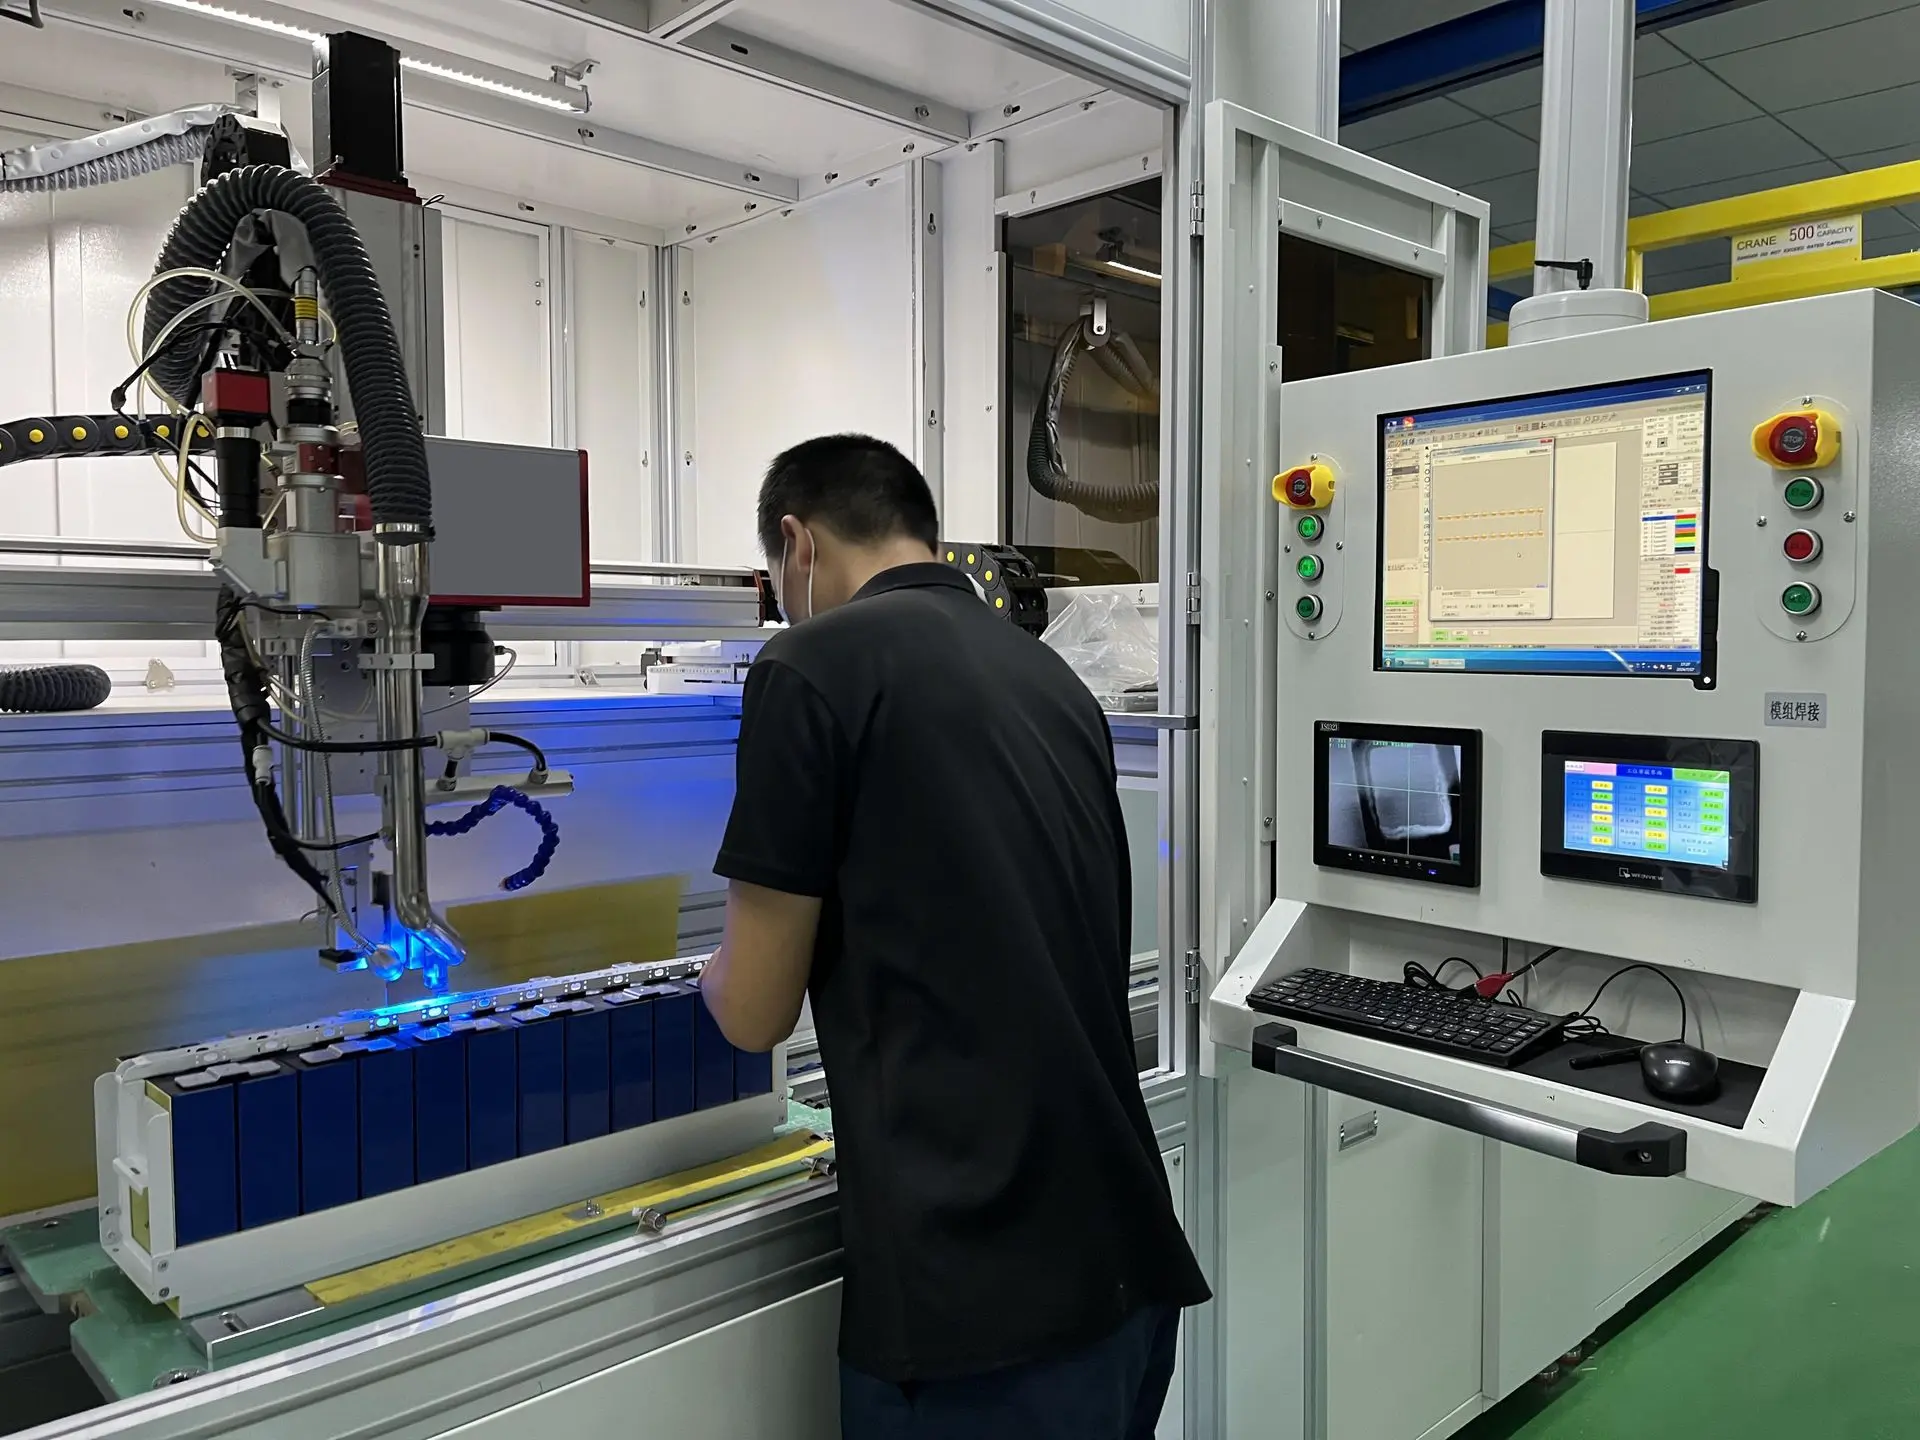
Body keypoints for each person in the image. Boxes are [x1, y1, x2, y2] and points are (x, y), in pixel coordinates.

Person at [699, 434, 1210, 1440]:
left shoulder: (808, 665)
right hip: (1125, 1257)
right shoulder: (1049, 677)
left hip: (976, 1307)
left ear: (797, 545)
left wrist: (702, 976)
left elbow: (754, 1011)